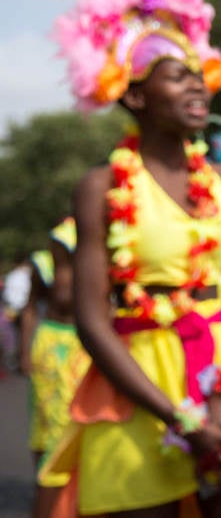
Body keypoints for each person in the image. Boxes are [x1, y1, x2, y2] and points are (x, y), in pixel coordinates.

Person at [48, 0, 221, 518]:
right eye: (177, 76)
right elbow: (92, 319)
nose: (197, 85)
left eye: (199, 73)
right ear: (137, 98)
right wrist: (176, 418)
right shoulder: (99, 188)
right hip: (137, 387)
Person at [22, 218, 90, 518]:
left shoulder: (97, 264)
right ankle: (49, 493)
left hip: (86, 345)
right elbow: (30, 307)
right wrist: (25, 352)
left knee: (83, 423)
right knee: (51, 428)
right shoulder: (42, 266)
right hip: (53, 346)